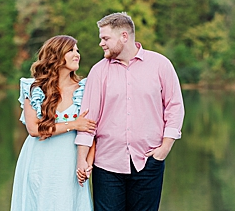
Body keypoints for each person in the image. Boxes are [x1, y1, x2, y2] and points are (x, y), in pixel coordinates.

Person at [75, 13, 184, 211]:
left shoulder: (160, 65)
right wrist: (81, 159)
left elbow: (175, 106)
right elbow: (88, 120)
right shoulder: (98, 71)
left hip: (149, 162)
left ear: (124, 36)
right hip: (106, 165)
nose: (101, 43)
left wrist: (165, 148)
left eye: (105, 38)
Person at [11, 35, 96, 211]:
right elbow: (34, 129)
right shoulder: (34, 88)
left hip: (70, 161)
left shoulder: (85, 89)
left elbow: (92, 130)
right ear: (56, 55)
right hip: (40, 161)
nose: (77, 54)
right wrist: (73, 124)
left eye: (77, 50)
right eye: (71, 50)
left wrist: (88, 164)